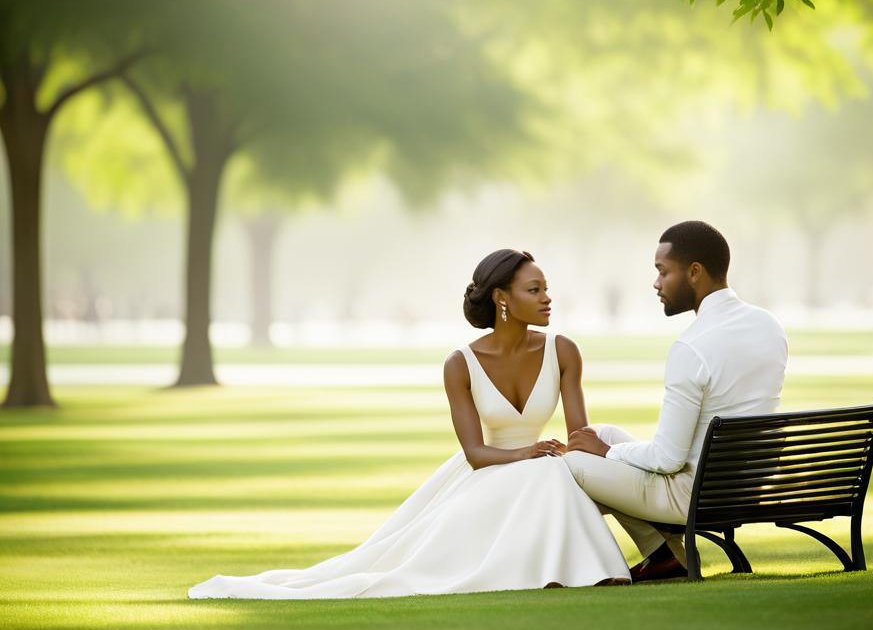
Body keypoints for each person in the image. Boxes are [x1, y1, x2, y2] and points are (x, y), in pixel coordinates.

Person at [187, 249, 630, 599]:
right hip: (489, 471)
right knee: (538, 472)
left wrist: (603, 453)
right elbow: (476, 455)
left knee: (552, 469)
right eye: (535, 290)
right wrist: (525, 453)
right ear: (502, 299)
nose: (547, 298)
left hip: (539, 466)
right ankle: (561, 571)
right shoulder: (461, 364)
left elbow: (577, 438)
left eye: (546, 288)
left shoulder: (563, 350)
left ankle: (580, 570)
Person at [564, 221, 788, 582]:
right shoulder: (769, 326)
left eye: (663, 272)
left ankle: (632, 557)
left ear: (695, 272)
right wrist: (605, 444)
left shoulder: (691, 347)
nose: (656, 283)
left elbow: (667, 460)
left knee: (574, 462)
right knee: (601, 432)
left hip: (696, 494)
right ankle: (665, 557)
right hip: (746, 485)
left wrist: (605, 454)